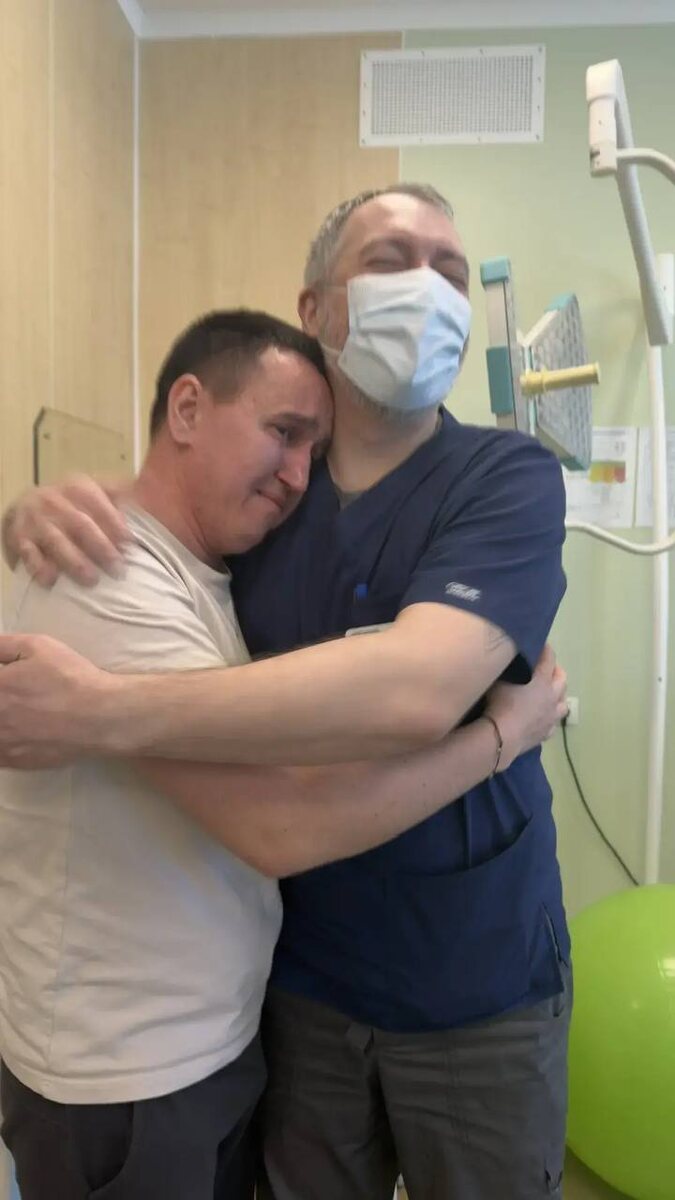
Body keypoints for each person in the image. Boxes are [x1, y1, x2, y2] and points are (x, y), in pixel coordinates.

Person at [0, 184, 571, 1199]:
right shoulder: (260, 512)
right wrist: (37, 508)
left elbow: (415, 688)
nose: (428, 287)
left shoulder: (504, 479)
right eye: (389, 259)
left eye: (449, 269)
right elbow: (150, 537)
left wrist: (98, 710)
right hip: (301, 995)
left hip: (475, 984)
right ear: (316, 308)